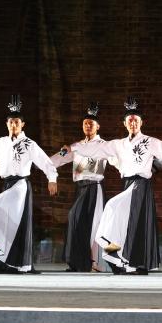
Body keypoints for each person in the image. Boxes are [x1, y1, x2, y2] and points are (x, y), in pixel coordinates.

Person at [69, 97, 162, 275]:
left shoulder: (149, 141)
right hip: (127, 183)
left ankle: (115, 249)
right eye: (129, 120)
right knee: (127, 222)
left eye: (136, 120)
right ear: (124, 123)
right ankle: (126, 260)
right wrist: (73, 149)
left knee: (113, 207)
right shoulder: (119, 144)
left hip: (140, 184)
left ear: (141, 123)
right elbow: (96, 149)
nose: (133, 123)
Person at [0, 95, 60, 274]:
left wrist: (52, 179)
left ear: (22, 124)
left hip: (20, 186)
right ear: (7, 124)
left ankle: (15, 259)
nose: (13, 125)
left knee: (0, 208)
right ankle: (3, 259)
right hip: (7, 184)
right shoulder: (1, 143)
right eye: (11, 122)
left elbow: (45, 162)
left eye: (17, 122)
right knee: (6, 220)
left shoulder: (29, 144)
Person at [50, 103, 113, 272]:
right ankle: (78, 262)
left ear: (98, 126)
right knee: (75, 219)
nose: (87, 125)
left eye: (91, 123)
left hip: (94, 187)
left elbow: (116, 159)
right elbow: (60, 157)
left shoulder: (104, 145)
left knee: (94, 224)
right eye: (85, 123)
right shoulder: (76, 146)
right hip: (80, 188)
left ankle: (94, 262)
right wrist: (43, 164)